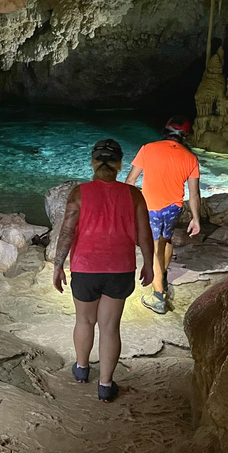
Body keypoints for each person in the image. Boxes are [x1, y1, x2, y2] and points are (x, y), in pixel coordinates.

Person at [53, 139, 154, 403]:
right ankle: (106, 386)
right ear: (120, 164)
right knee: (110, 327)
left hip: (85, 268)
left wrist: (57, 266)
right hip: (119, 269)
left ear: (93, 162)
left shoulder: (79, 193)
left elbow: (66, 232)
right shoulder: (134, 195)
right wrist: (149, 264)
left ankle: (82, 369)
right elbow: (145, 235)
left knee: (84, 321)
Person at [125, 116, 201, 315]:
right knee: (165, 241)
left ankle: (158, 296)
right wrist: (196, 218)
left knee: (152, 247)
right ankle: (162, 276)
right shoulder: (191, 158)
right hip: (173, 208)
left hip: (151, 208)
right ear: (184, 136)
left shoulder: (148, 149)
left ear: (165, 131)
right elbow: (194, 193)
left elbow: (131, 180)